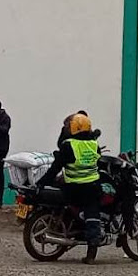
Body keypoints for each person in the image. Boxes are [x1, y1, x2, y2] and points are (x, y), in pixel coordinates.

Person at [38, 113, 102, 264]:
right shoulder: (94, 144)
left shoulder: (68, 145)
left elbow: (55, 168)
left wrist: (41, 183)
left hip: (72, 187)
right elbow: (98, 161)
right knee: (92, 215)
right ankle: (91, 253)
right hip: (92, 186)